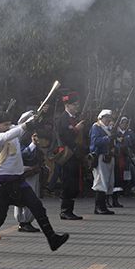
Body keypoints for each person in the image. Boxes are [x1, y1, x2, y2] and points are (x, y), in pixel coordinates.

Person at [0, 109, 69, 253]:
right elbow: (7, 135)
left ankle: (52, 238)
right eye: (5, 125)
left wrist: (35, 114)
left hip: (18, 180)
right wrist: (24, 126)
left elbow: (20, 124)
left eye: (9, 124)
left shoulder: (12, 130)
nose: (9, 126)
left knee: (38, 207)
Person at [55, 93, 86, 221]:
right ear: (67, 105)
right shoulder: (63, 118)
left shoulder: (73, 118)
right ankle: (65, 210)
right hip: (67, 154)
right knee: (67, 182)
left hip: (75, 154)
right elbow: (65, 136)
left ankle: (70, 210)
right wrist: (76, 129)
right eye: (74, 105)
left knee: (73, 182)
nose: (77, 107)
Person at [14, 123, 48, 232]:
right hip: (25, 172)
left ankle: (26, 221)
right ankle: (23, 221)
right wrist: (33, 144)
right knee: (26, 196)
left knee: (32, 195)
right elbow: (22, 154)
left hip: (32, 171)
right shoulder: (18, 138)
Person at [90, 109, 117, 213]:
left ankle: (103, 206)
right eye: (106, 117)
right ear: (101, 118)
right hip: (100, 157)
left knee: (107, 182)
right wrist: (108, 138)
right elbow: (95, 141)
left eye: (109, 118)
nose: (108, 120)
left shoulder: (109, 128)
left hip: (109, 156)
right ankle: (99, 207)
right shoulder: (96, 127)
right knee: (100, 182)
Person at [112, 115, 134, 208]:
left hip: (125, 157)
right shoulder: (114, 132)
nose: (124, 124)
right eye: (122, 122)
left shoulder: (129, 132)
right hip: (116, 157)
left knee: (127, 174)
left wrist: (125, 139)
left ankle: (125, 190)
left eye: (125, 123)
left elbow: (132, 140)